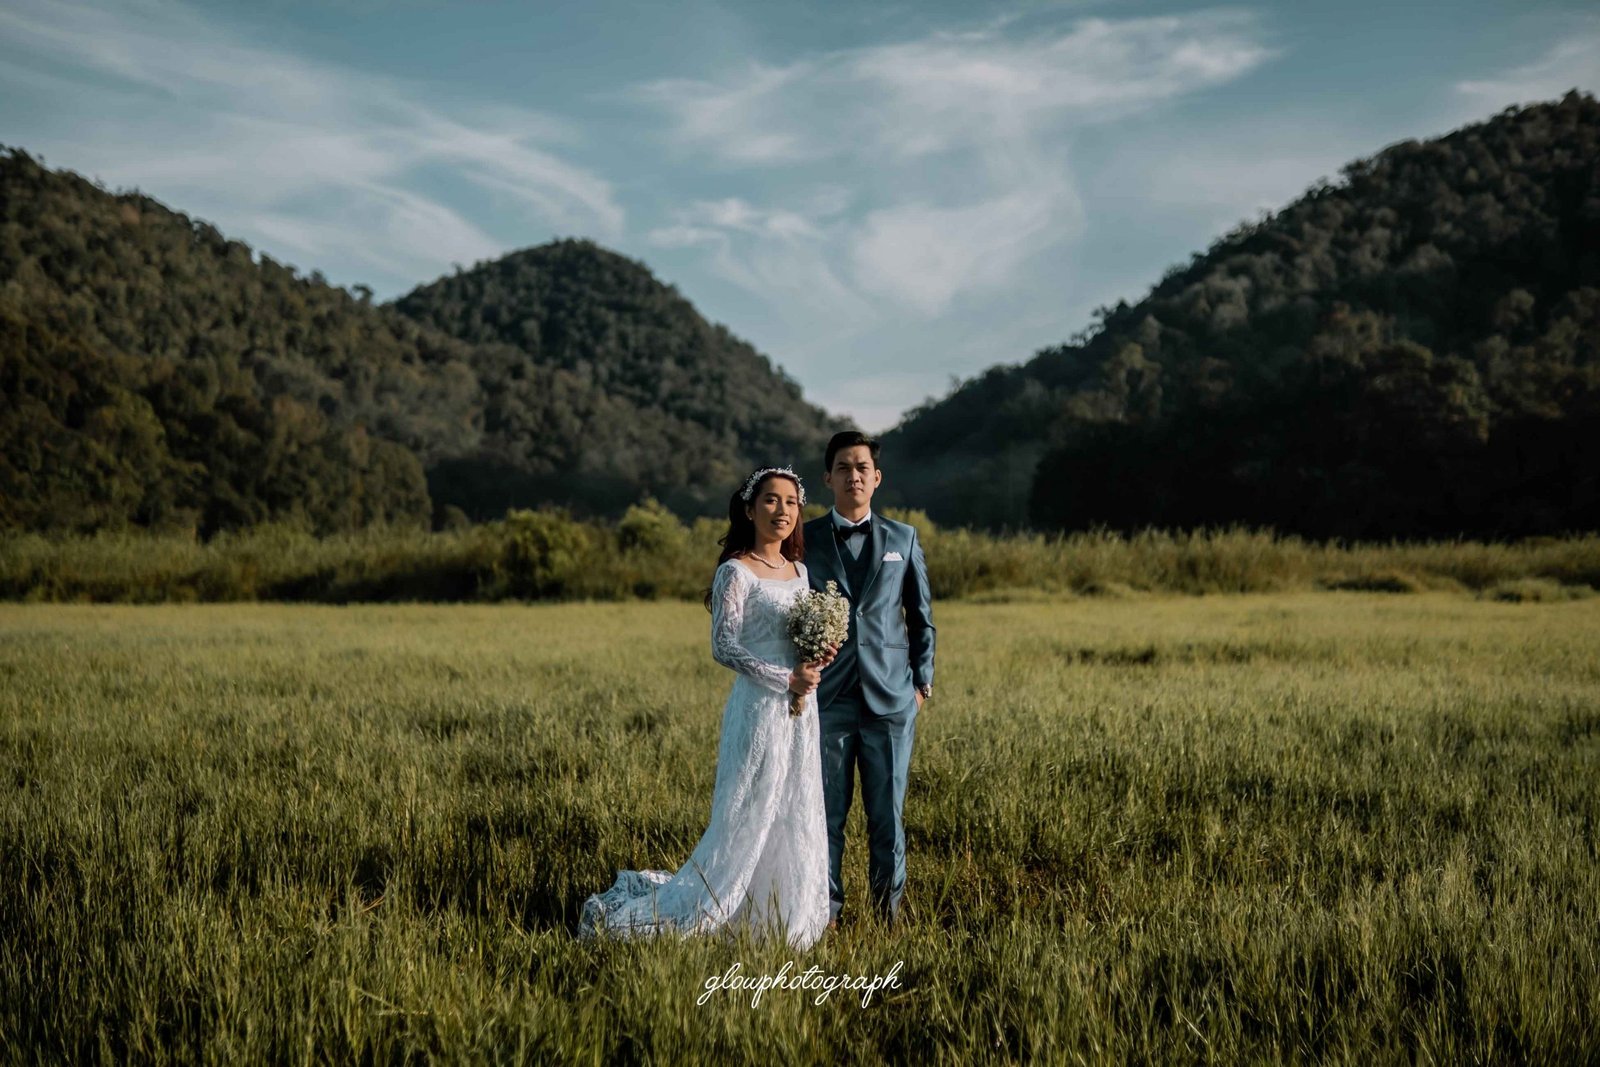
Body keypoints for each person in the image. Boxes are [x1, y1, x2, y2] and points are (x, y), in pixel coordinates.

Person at [579, 467, 834, 950]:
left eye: (791, 502)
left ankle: (781, 913)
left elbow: (800, 637)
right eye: (771, 500)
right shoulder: (735, 571)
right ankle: (716, 904)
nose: (782, 510)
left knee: (793, 803)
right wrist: (784, 678)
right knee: (749, 807)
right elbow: (724, 646)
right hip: (759, 706)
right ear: (750, 509)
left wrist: (817, 657)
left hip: (802, 707)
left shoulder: (800, 572)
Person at [803, 431, 935, 928]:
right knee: (826, 817)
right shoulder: (805, 540)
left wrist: (921, 686)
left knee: (887, 819)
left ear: (876, 478)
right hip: (828, 699)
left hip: (892, 701)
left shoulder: (904, 538)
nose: (853, 475)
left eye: (862, 467)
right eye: (843, 467)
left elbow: (921, 619)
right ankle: (827, 914)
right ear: (828, 478)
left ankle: (888, 917)